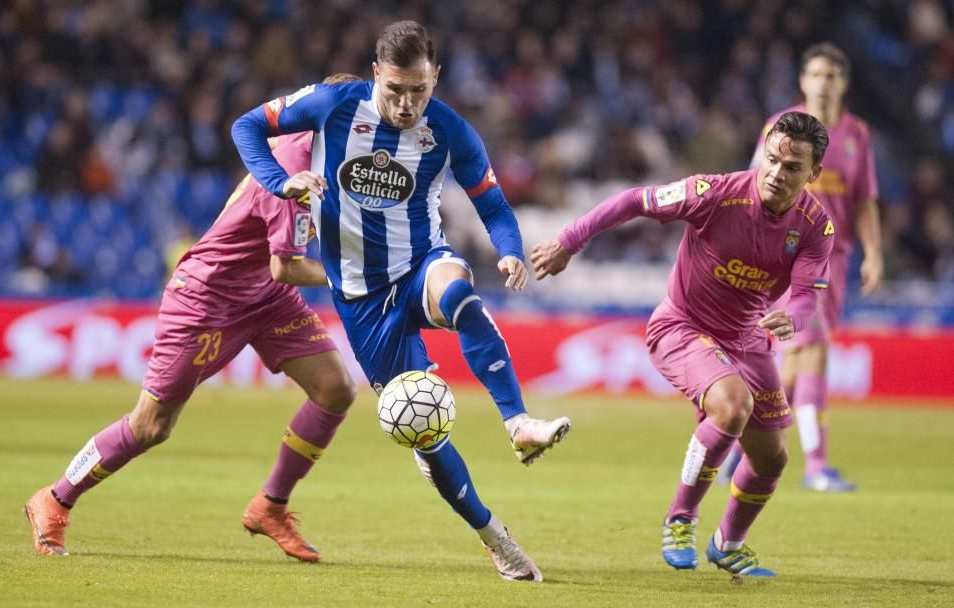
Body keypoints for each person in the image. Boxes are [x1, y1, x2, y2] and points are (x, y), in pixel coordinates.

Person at [230, 20, 570, 582]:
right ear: (374, 76)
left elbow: (494, 206)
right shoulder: (334, 103)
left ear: (434, 78)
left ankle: (517, 424)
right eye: (395, 90)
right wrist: (279, 181)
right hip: (362, 300)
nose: (407, 103)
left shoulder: (452, 131)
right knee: (424, 432)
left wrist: (508, 250)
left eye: (419, 89)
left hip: (420, 264)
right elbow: (247, 126)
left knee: (459, 292)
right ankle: (493, 536)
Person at [23, 74, 363, 562]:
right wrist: (356, 279)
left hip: (266, 296)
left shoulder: (336, 156)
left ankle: (270, 505)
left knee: (336, 388)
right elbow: (286, 264)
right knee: (151, 426)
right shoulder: (295, 168)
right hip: (208, 297)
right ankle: (53, 500)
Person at [532, 112, 834, 576]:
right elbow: (635, 200)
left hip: (750, 339)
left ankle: (728, 542)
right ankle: (681, 517)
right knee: (733, 407)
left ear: (813, 173)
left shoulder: (816, 226)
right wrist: (570, 241)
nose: (777, 173)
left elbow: (806, 294)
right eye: (772, 160)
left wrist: (790, 319)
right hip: (683, 326)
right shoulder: (714, 194)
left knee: (772, 459)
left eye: (792, 167)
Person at [720, 43, 882, 492]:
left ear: (843, 83)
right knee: (812, 351)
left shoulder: (857, 135)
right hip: (786, 252)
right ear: (803, 81)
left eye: (832, 75)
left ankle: (738, 450)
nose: (823, 83)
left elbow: (865, 199)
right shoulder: (781, 126)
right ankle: (816, 463)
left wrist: (874, 252)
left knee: (795, 360)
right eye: (816, 74)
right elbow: (753, 182)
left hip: (835, 254)